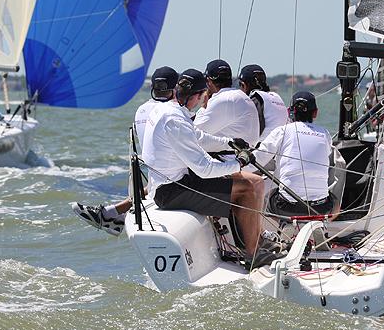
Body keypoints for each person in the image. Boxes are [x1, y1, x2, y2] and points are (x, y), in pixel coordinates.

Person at [144, 68, 266, 257]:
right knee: (247, 188)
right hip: (171, 191)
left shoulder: (169, 109)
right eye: (204, 96)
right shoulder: (175, 119)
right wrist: (238, 163)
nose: (205, 100)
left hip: (172, 182)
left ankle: (255, 241)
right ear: (199, 95)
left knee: (254, 182)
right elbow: (205, 169)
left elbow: (197, 136)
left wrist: (230, 142)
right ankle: (253, 254)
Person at [71, 66, 180, 235]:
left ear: (153, 87)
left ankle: (113, 214)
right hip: (167, 173)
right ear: (176, 88)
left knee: (154, 181)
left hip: (153, 169)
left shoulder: (141, 109)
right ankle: (113, 214)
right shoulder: (171, 111)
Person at [254, 91, 335, 217]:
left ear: (289, 111)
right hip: (320, 208)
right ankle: (322, 227)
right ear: (315, 113)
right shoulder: (325, 134)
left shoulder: (281, 131)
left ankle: (273, 232)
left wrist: (236, 166)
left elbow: (258, 159)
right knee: (335, 202)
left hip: (286, 206)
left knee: (265, 197)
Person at [194, 59, 260, 147]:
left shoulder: (224, 99)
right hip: (243, 155)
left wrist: (203, 106)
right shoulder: (241, 96)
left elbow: (193, 133)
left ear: (209, 81)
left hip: (228, 158)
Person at [238, 64, 288, 140]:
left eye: (240, 85)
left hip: (262, 148)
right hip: (280, 147)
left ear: (244, 85)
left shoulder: (256, 98)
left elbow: (256, 129)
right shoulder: (276, 96)